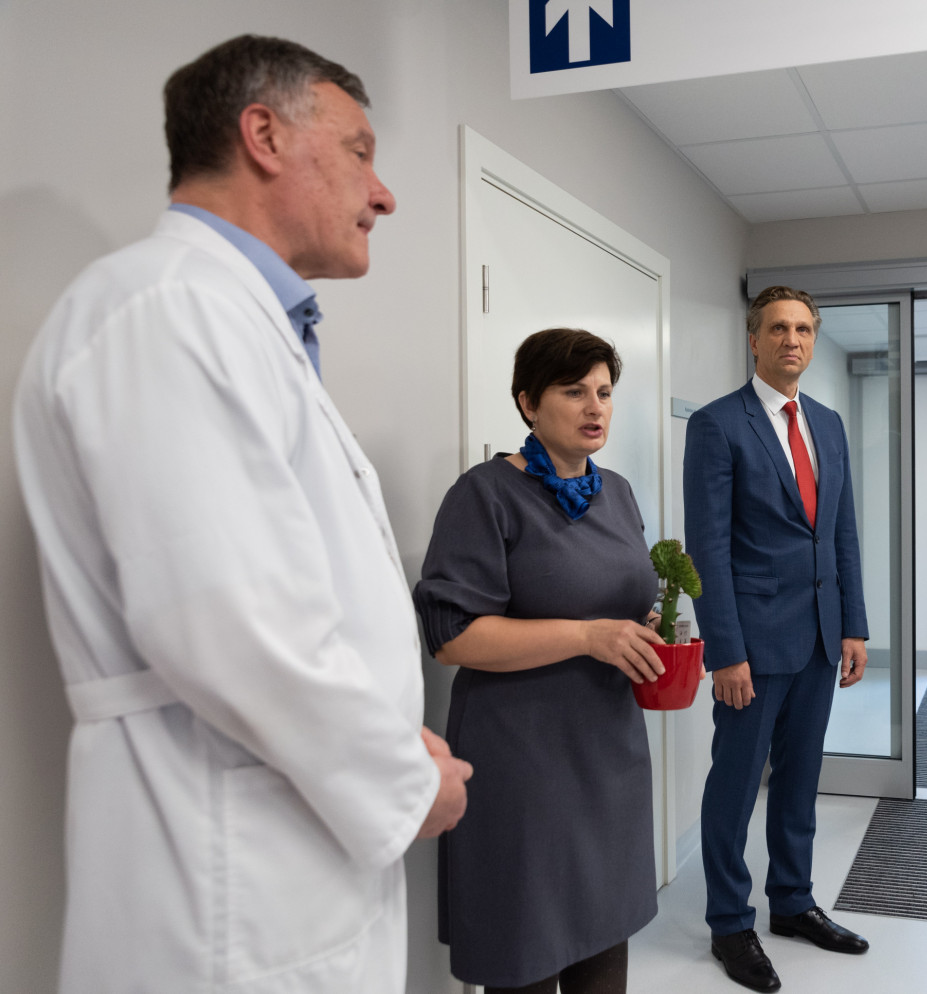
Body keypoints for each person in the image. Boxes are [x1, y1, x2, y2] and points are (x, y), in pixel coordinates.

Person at [11, 35, 473, 994]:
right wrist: (400, 779)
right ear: (263, 135)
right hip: (223, 881)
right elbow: (227, 619)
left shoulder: (231, 319)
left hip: (280, 850)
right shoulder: (166, 308)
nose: (384, 194)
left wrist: (393, 741)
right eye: (359, 152)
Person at [413, 328, 664, 994]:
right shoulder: (486, 494)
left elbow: (620, 601)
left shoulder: (617, 492)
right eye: (574, 391)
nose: (595, 407)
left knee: (604, 950)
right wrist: (586, 637)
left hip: (609, 756)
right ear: (528, 402)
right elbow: (453, 637)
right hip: (523, 764)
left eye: (604, 392)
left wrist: (645, 634)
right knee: (524, 952)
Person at [683, 285, 871, 992]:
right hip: (753, 647)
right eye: (778, 328)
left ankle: (792, 902)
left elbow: (841, 531)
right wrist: (726, 651)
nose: (792, 340)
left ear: (813, 340)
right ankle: (730, 922)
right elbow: (708, 548)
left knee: (799, 781)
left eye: (803, 329)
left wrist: (854, 624)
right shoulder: (718, 425)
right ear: (754, 339)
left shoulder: (827, 424)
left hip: (821, 638)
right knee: (735, 786)